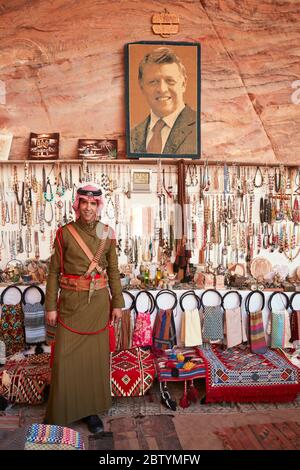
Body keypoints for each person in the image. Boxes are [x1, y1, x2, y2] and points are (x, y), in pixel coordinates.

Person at [44, 185, 124, 434]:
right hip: (69, 304)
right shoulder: (64, 233)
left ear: (98, 206)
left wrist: (118, 303)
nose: (88, 208)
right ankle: (62, 411)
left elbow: (112, 270)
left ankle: (91, 412)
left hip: (98, 305)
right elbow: (54, 271)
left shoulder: (107, 233)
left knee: (93, 361)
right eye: (84, 203)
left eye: (93, 203)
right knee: (65, 359)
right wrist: (50, 306)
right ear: (77, 205)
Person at [130, 47, 198, 155]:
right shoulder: (132, 135)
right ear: (142, 86)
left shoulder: (201, 127)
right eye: (153, 82)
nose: (162, 89)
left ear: (183, 84)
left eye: (170, 81)